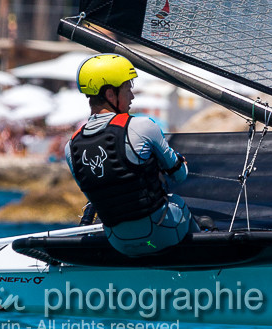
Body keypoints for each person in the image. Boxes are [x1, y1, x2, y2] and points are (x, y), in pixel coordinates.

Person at [66, 54, 190, 257]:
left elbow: (94, 196)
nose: (132, 96)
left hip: (118, 242)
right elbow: (179, 176)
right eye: (127, 88)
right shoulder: (143, 126)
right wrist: (179, 163)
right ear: (110, 94)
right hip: (158, 235)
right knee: (178, 203)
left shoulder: (70, 146)